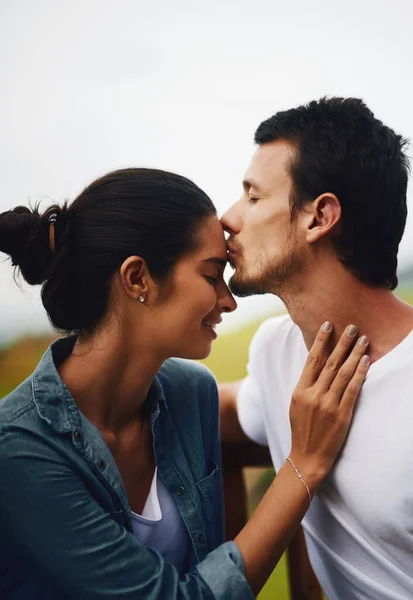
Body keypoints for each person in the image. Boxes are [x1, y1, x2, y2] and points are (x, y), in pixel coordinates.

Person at [0, 168, 369, 600]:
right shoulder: (20, 449)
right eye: (212, 275)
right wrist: (302, 465)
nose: (229, 300)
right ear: (137, 279)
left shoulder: (192, 392)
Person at [219, 97, 413, 600]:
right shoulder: (276, 352)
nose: (228, 218)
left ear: (319, 216)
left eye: (253, 198)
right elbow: (220, 405)